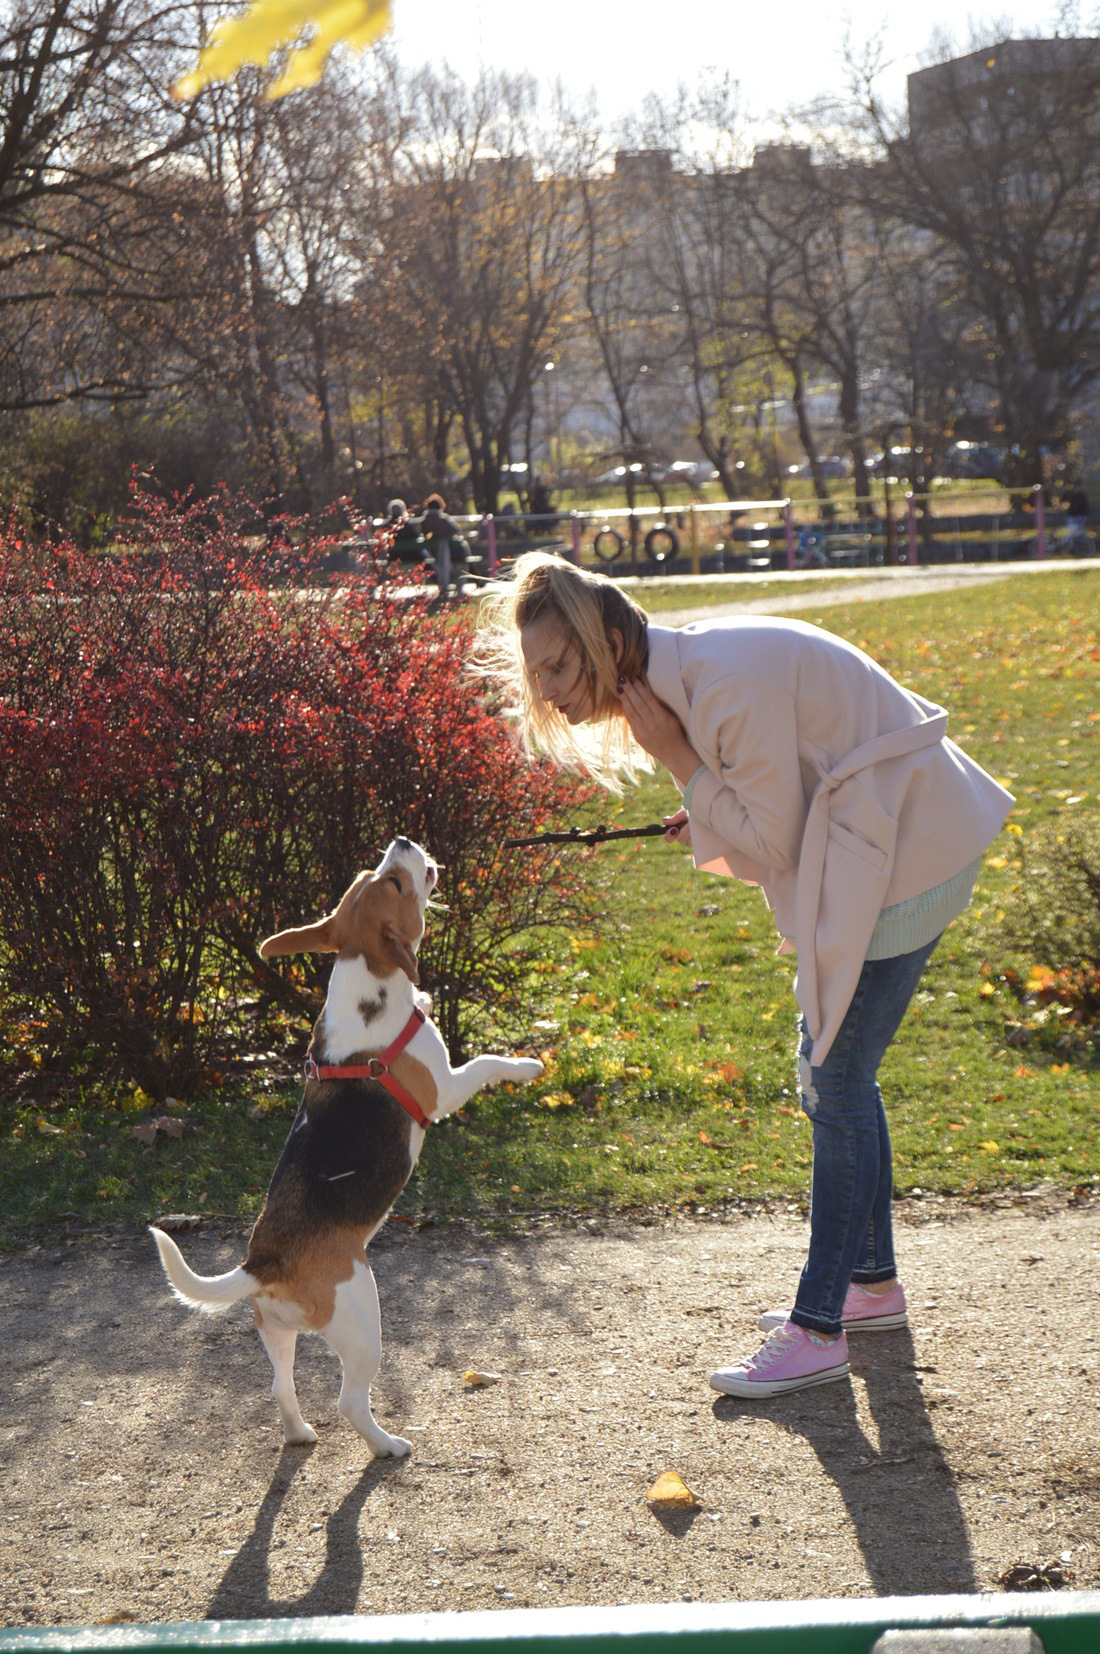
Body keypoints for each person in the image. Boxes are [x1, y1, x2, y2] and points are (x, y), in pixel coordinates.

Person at [476, 552, 1013, 1400]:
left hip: (910, 855)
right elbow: (774, 803)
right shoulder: (694, 676)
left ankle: (819, 1328)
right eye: (536, 671)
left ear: (608, 639)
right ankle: (869, 1286)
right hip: (883, 847)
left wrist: (684, 765)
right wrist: (701, 798)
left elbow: (777, 843)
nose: (546, 692)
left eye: (558, 665)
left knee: (835, 1085)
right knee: (837, 1079)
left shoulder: (717, 688)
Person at [419, 492, 468, 601]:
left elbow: (423, 533)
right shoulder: (443, 518)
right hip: (452, 553)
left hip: (435, 553)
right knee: (464, 555)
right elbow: (456, 529)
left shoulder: (425, 519)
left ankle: (445, 587)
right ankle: (461, 588)